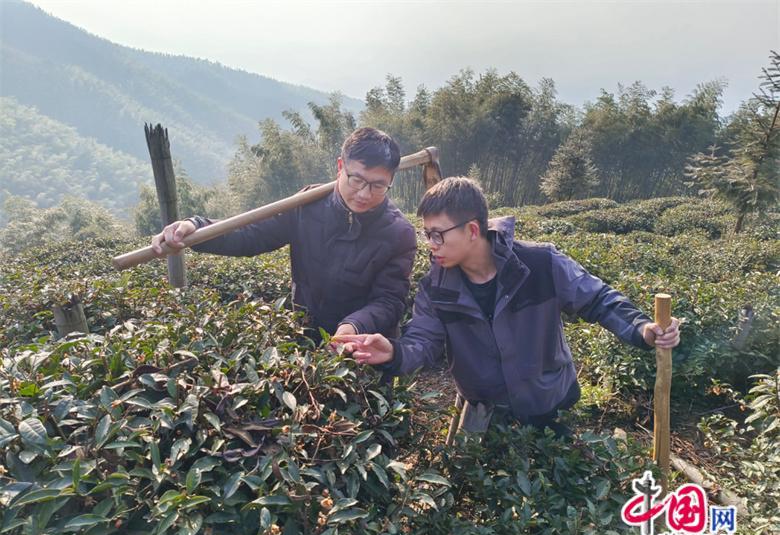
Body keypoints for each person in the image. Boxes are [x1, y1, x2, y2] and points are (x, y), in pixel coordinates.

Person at [334, 177, 681, 436]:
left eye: (437, 234)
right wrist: (393, 352)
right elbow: (423, 341)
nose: (431, 245)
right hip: (485, 412)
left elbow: (597, 298)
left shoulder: (540, 264)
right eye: (427, 234)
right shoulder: (436, 288)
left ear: (472, 230)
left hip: (549, 402)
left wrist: (641, 329)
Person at [151, 127, 417, 342]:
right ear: (340, 167)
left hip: (366, 348)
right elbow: (251, 234)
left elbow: (389, 301)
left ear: (390, 181)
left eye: (378, 186)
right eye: (356, 180)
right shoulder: (308, 204)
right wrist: (196, 227)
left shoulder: (398, 233)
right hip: (305, 337)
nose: (364, 194)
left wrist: (354, 326)